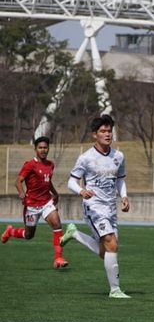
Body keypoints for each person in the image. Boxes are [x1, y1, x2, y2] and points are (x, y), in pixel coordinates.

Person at [62, 114, 130, 298]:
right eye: (103, 131)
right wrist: (81, 191)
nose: (107, 134)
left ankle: (74, 233)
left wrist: (124, 196)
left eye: (109, 131)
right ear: (94, 134)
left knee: (106, 251)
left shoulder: (119, 156)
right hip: (93, 208)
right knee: (112, 245)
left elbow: (120, 181)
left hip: (110, 208)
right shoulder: (86, 158)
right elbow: (71, 182)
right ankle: (115, 290)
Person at [1, 136, 69, 268]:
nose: (43, 150)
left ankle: (58, 258)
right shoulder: (30, 165)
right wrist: (22, 193)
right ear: (35, 149)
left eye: (45, 147)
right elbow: (18, 181)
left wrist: (55, 193)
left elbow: (47, 182)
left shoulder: (50, 165)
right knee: (29, 235)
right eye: (40, 148)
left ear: (48, 148)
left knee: (57, 225)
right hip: (31, 205)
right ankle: (10, 232)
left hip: (46, 202)